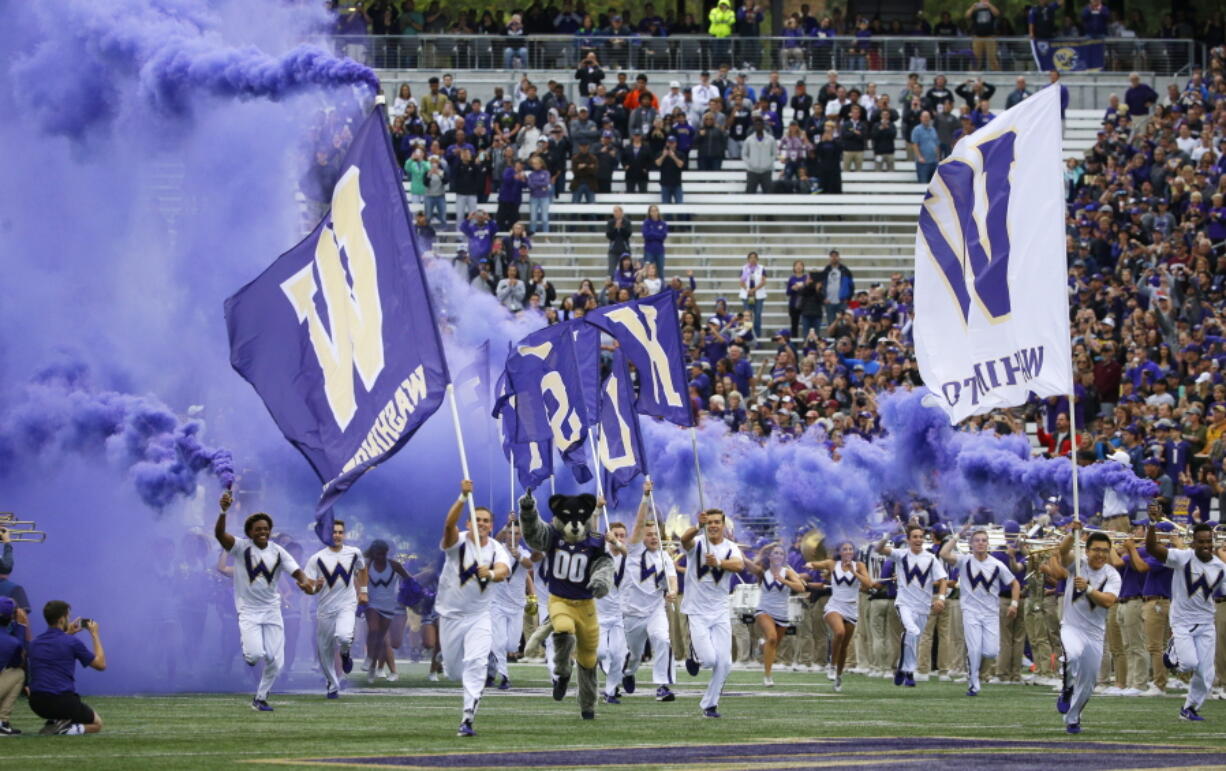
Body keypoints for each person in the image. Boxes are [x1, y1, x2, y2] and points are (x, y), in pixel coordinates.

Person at [214, 489, 315, 711]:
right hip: (248, 611)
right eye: (258, 529)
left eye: (266, 529)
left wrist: (305, 581)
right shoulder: (241, 547)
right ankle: (248, 654)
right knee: (254, 655)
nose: (263, 532)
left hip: (272, 611)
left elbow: (295, 570)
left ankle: (260, 698)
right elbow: (220, 535)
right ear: (249, 532)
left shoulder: (278, 551)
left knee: (276, 663)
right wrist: (223, 511)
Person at [438, 479, 511, 737]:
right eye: (476, 520)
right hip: (450, 616)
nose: (481, 524)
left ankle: (467, 717)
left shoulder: (496, 548)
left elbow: (504, 570)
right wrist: (462, 497)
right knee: (454, 671)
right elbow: (448, 526)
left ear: (491, 526)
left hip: (480, 615)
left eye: (486, 521)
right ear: (468, 523)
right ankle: (448, 662)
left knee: (476, 663)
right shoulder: (457, 542)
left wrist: (490, 573)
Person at [1146, 521, 1226, 721]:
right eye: (1201, 542)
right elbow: (1153, 549)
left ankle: (1189, 708)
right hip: (1182, 621)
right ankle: (1172, 648)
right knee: (1188, 664)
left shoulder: (1220, 567)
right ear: (1193, 543)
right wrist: (1152, 525)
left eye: (1209, 541)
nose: (1206, 545)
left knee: (1206, 673)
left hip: (1207, 623)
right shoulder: (1183, 558)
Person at [1053, 522, 1120, 734]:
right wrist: (1073, 534)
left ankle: (1073, 718)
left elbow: (1108, 601)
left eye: (1104, 551)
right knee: (1071, 656)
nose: (1100, 555)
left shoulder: (1112, 575)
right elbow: (1062, 553)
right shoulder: (1078, 564)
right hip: (1072, 626)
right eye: (1096, 550)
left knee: (1090, 682)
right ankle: (1066, 689)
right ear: (1087, 550)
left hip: (1095, 632)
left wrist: (1088, 588)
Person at [940, 528, 1020, 696]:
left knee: (991, 651)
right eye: (977, 540)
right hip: (970, 611)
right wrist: (957, 536)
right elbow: (944, 553)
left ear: (988, 543)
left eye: (984, 540)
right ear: (971, 544)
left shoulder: (997, 564)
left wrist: (1014, 604)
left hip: (991, 613)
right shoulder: (964, 560)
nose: (981, 543)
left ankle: (976, 672)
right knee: (974, 649)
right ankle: (973, 682)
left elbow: (1015, 583)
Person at [680, 509, 745, 717]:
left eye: (717, 522)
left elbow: (739, 565)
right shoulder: (697, 542)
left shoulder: (730, 547)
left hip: (719, 611)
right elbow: (684, 540)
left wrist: (718, 562)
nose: (714, 526)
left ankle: (710, 704)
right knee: (709, 660)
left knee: (725, 662)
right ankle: (694, 653)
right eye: (710, 523)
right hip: (697, 610)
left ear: (723, 525)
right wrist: (697, 526)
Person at [620, 480, 678, 702]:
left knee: (662, 639)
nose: (653, 537)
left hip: (655, 609)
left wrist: (672, 591)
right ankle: (629, 672)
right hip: (632, 612)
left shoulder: (664, 556)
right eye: (649, 533)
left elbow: (672, 579)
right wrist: (645, 497)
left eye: (656, 533)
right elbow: (637, 524)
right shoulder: (634, 550)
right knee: (634, 654)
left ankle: (663, 685)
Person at [304, 519, 368, 699]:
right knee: (324, 650)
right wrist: (314, 586)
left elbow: (363, 569)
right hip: (324, 609)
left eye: (340, 532)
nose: (337, 535)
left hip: (347, 605)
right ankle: (332, 685)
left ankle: (345, 653)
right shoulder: (316, 558)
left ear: (345, 534)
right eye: (334, 532)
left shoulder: (354, 553)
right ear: (326, 535)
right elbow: (309, 586)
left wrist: (363, 591)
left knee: (344, 637)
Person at [877, 524, 948, 688]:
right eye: (915, 537)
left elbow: (943, 580)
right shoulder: (900, 555)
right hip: (904, 603)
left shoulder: (930, 558)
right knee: (912, 631)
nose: (918, 539)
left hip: (923, 606)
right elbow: (879, 548)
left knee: (914, 638)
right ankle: (906, 669)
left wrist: (941, 598)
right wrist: (888, 534)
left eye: (921, 536)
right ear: (908, 540)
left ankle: (905, 671)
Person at [26, 601, 105, 735]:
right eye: (68, 617)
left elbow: (55, 647)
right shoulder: (72, 642)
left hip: (37, 703)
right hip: (63, 702)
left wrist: (68, 634)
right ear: (62, 619)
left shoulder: (34, 643)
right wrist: (95, 635)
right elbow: (100, 664)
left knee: (55, 703)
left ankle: (55, 722)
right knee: (97, 724)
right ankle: (66, 729)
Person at [808, 542, 874, 691]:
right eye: (845, 549)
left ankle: (838, 677)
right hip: (834, 606)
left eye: (851, 549)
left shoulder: (860, 566)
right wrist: (810, 564)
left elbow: (868, 584)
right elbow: (815, 564)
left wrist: (854, 572)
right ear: (840, 552)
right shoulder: (832, 564)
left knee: (844, 646)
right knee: (839, 632)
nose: (848, 551)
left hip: (851, 608)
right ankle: (831, 665)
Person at [744, 543, 806, 687]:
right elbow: (746, 563)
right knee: (772, 637)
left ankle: (762, 646)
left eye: (780, 553)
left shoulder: (788, 573)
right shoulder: (762, 571)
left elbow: (801, 587)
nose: (778, 555)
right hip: (764, 610)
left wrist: (784, 581)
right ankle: (768, 676)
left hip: (782, 613)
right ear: (769, 556)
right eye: (775, 553)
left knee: (772, 644)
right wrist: (734, 547)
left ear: (784, 557)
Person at [488, 514, 533, 690]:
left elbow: (529, 565)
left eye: (516, 534)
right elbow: (495, 540)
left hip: (516, 606)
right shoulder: (497, 550)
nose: (512, 536)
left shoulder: (524, 553)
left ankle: (492, 658)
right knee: (499, 642)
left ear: (521, 536)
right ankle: (504, 676)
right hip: (497, 604)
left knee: (512, 645)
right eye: (510, 533)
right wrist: (508, 522)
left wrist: (519, 557)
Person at [364, 539, 411, 682]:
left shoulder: (394, 565)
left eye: (383, 554)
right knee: (373, 629)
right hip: (371, 604)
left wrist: (411, 592)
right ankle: (369, 657)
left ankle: (373, 667)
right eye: (378, 554)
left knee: (380, 638)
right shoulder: (367, 565)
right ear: (373, 554)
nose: (381, 557)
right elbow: (359, 581)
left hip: (389, 606)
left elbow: (409, 579)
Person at [596, 520, 629, 704]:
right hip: (598, 614)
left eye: (622, 535)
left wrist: (616, 542)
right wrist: (597, 511)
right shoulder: (600, 555)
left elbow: (626, 552)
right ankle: (601, 670)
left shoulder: (627, 556)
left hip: (618, 616)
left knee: (619, 655)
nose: (619, 538)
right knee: (601, 653)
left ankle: (610, 691)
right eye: (615, 535)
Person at [0, 598, 29, 735]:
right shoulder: (12, 642)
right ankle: (2, 722)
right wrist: (21, 627)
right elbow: (18, 663)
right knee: (18, 673)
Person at [816, 249, 853, 326]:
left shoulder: (845, 271)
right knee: (831, 322)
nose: (834, 258)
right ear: (829, 258)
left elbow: (851, 286)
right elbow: (820, 287)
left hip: (842, 301)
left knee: (843, 323)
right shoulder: (826, 271)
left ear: (839, 257)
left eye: (836, 256)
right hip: (829, 301)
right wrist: (823, 298)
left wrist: (847, 298)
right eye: (832, 256)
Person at [742, 118, 777, 194]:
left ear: (763, 126)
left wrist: (769, 163)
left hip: (766, 170)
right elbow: (744, 154)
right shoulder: (749, 139)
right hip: (752, 171)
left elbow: (774, 153)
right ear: (754, 126)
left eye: (760, 124)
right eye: (756, 125)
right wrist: (750, 163)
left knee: (768, 193)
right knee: (750, 193)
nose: (758, 126)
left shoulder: (771, 139)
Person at [738, 251, 767, 339]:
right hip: (747, 295)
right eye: (751, 258)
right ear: (748, 259)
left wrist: (754, 289)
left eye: (754, 257)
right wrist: (748, 290)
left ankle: (757, 335)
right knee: (747, 315)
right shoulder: (744, 268)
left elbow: (763, 281)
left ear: (757, 259)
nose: (752, 259)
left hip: (758, 295)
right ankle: (747, 335)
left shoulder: (761, 268)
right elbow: (741, 282)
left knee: (757, 315)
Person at [965, 0, 1001, 70]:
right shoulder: (975, 9)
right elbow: (967, 16)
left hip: (990, 37)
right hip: (977, 37)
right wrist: (973, 7)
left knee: (992, 58)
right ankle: (973, 75)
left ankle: (997, 74)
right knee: (976, 58)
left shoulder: (991, 9)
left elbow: (997, 14)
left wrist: (989, 5)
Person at [910, 110, 939, 183]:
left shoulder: (933, 129)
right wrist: (919, 157)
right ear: (921, 118)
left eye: (928, 117)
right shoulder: (917, 130)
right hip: (923, 163)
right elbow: (915, 145)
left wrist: (938, 156)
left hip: (934, 162)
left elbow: (936, 144)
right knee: (923, 184)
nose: (926, 119)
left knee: (934, 186)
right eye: (924, 117)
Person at [656, 135, 686, 204]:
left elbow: (680, 165)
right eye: (669, 142)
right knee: (665, 204)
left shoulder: (680, 154)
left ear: (676, 144)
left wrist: (673, 157)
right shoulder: (661, 153)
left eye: (672, 143)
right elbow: (657, 164)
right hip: (665, 184)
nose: (670, 144)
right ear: (666, 143)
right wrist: (663, 156)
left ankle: (680, 215)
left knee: (680, 204)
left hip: (677, 184)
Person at [641, 205, 668, 278]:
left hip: (660, 251)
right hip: (649, 251)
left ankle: (662, 289)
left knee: (660, 272)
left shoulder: (663, 223)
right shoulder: (646, 223)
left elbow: (663, 236)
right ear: (649, 213)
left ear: (658, 212)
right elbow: (645, 235)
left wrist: (652, 233)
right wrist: (657, 234)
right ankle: (646, 288)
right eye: (652, 211)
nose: (654, 212)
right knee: (647, 271)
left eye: (655, 210)